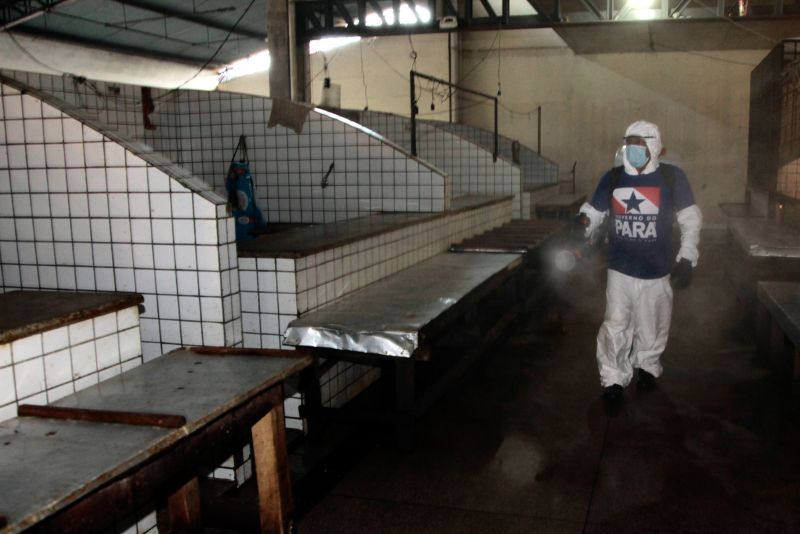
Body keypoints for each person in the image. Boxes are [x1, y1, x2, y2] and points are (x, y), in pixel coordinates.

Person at [578, 120, 702, 413]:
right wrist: (582, 224)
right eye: (629, 144)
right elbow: (594, 211)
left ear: (655, 147)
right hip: (620, 269)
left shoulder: (672, 178)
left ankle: (647, 367)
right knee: (615, 325)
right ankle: (613, 382)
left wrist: (687, 256)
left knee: (653, 324)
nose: (633, 150)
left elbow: (690, 219)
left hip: (657, 272)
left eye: (640, 144)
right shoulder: (613, 178)